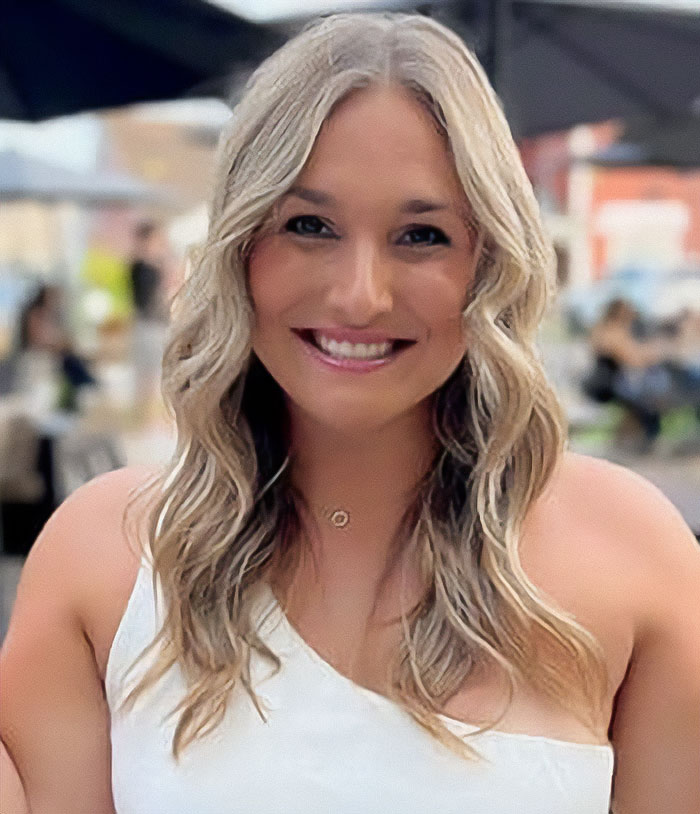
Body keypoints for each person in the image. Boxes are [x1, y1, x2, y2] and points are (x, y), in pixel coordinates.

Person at [1, 12, 699, 814]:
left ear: (490, 263)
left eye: (422, 236)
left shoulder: (634, 558)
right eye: (309, 226)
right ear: (238, 249)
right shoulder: (105, 561)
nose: (361, 296)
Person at [586, 298, 671, 450]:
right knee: (648, 403)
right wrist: (655, 351)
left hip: (610, 383)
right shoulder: (612, 332)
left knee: (649, 396)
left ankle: (638, 439)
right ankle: (646, 441)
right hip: (607, 385)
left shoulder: (606, 330)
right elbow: (633, 359)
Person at [128, 221, 170, 421]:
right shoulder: (142, 267)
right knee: (148, 377)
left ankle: (147, 419)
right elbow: (150, 302)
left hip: (151, 327)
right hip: (149, 327)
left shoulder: (145, 266)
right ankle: (145, 420)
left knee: (150, 377)